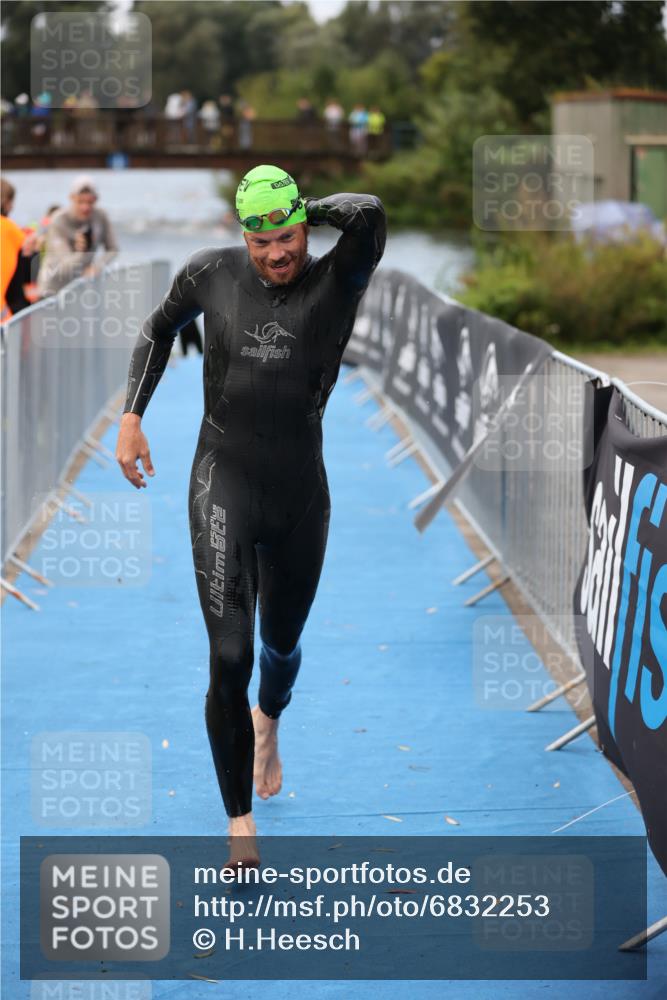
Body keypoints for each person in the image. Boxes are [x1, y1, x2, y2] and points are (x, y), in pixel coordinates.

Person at [116, 165, 386, 869]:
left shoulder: (337, 280)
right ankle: (239, 824)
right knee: (228, 654)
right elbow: (154, 329)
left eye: (290, 236)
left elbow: (370, 214)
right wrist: (130, 418)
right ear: (243, 235)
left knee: (281, 647)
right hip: (222, 484)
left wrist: (309, 205)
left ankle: (269, 722)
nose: (277, 254)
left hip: (300, 495)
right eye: (263, 240)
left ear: (304, 227)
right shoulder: (210, 272)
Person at [36, 175, 118, 299]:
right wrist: (82, 252)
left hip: (80, 288)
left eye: (90, 202)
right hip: (52, 290)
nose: (85, 207)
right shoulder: (59, 220)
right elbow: (64, 267)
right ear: (71, 198)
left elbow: (113, 249)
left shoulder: (100, 217)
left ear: (96, 199)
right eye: (80, 201)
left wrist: (97, 267)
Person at [0, 178, 40, 321]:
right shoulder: (8, 228)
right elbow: (29, 252)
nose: (12, 207)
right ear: (6, 202)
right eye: (11, 202)